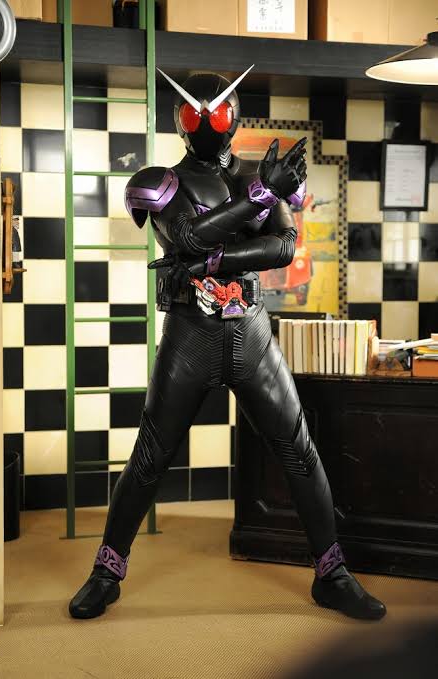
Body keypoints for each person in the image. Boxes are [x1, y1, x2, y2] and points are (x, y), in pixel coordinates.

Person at [69, 67, 386, 621]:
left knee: (298, 449)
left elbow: (283, 247)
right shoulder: (160, 180)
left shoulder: (259, 174)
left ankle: (332, 575)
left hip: (251, 331)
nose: (207, 120)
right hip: (190, 334)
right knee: (151, 455)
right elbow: (186, 235)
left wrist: (212, 259)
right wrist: (258, 199)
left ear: (234, 115)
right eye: (195, 110)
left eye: (217, 110)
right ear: (180, 119)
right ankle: (105, 572)